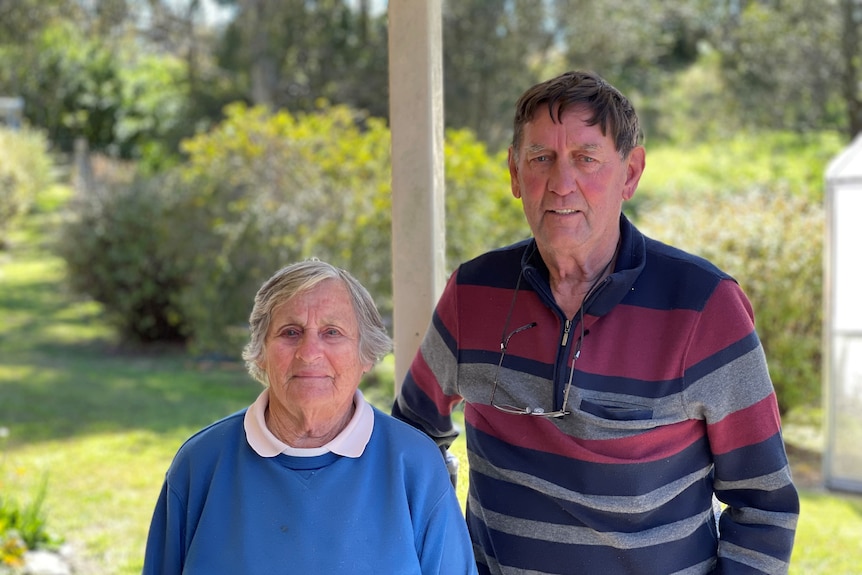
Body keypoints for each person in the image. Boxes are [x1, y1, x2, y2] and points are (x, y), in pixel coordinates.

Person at [392, 71, 799, 574]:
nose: (562, 184)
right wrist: (445, 556)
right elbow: (410, 445)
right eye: (541, 158)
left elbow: (763, 504)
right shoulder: (473, 292)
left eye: (586, 159)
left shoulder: (704, 306)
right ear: (516, 174)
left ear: (630, 173)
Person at [143, 260, 478, 575]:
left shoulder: (414, 465)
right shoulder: (200, 463)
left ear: (366, 355)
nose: (309, 352)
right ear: (261, 352)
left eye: (332, 332)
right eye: (290, 332)